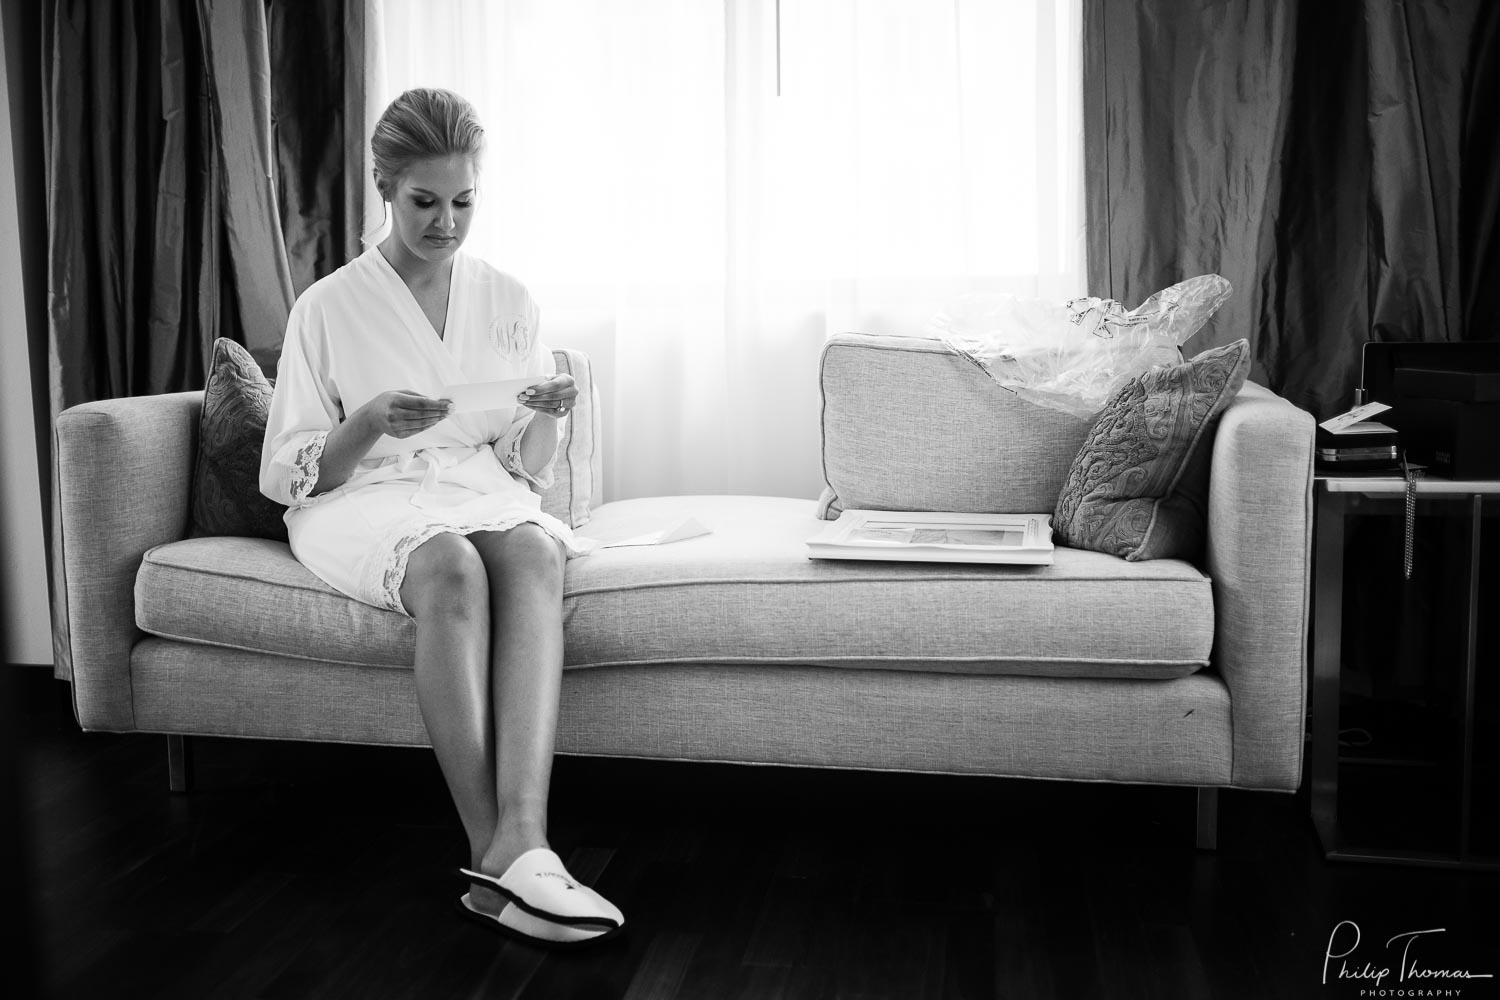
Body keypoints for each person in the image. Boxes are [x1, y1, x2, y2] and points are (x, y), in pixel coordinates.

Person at [260, 88, 622, 949]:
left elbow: (515, 466)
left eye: (464, 202)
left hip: (472, 485)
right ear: (385, 186)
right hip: (358, 499)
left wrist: (547, 413)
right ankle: (492, 851)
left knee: (532, 554)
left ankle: (523, 840)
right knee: (451, 567)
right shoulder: (328, 306)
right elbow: (290, 475)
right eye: (425, 201)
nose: (446, 222)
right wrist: (369, 421)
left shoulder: (507, 297)